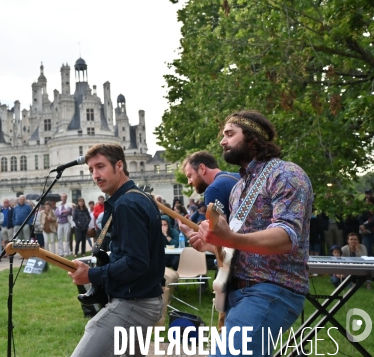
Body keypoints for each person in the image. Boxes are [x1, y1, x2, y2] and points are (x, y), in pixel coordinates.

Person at [182, 110, 313, 356]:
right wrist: (212, 244)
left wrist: (229, 238)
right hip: (240, 293)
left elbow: (286, 237)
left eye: (230, 134)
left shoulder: (286, 174)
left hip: (271, 289)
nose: (222, 141)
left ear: (253, 138)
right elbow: (237, 246)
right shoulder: (238, 187)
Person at [68, 144, 164, 357]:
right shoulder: (138, 197)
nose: (95, 175)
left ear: (119, 165)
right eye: (91, 169)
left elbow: (136, 262)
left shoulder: (127, 204)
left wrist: (91, 274)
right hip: (146, 299)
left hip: (133, 305)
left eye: (100, 167)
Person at [182, 150, 240, 220]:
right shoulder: (241, 176)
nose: (189, 182)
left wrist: (190, 231)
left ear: (202, 169)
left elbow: (218, 229)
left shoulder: (213, 190)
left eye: (189, 176)